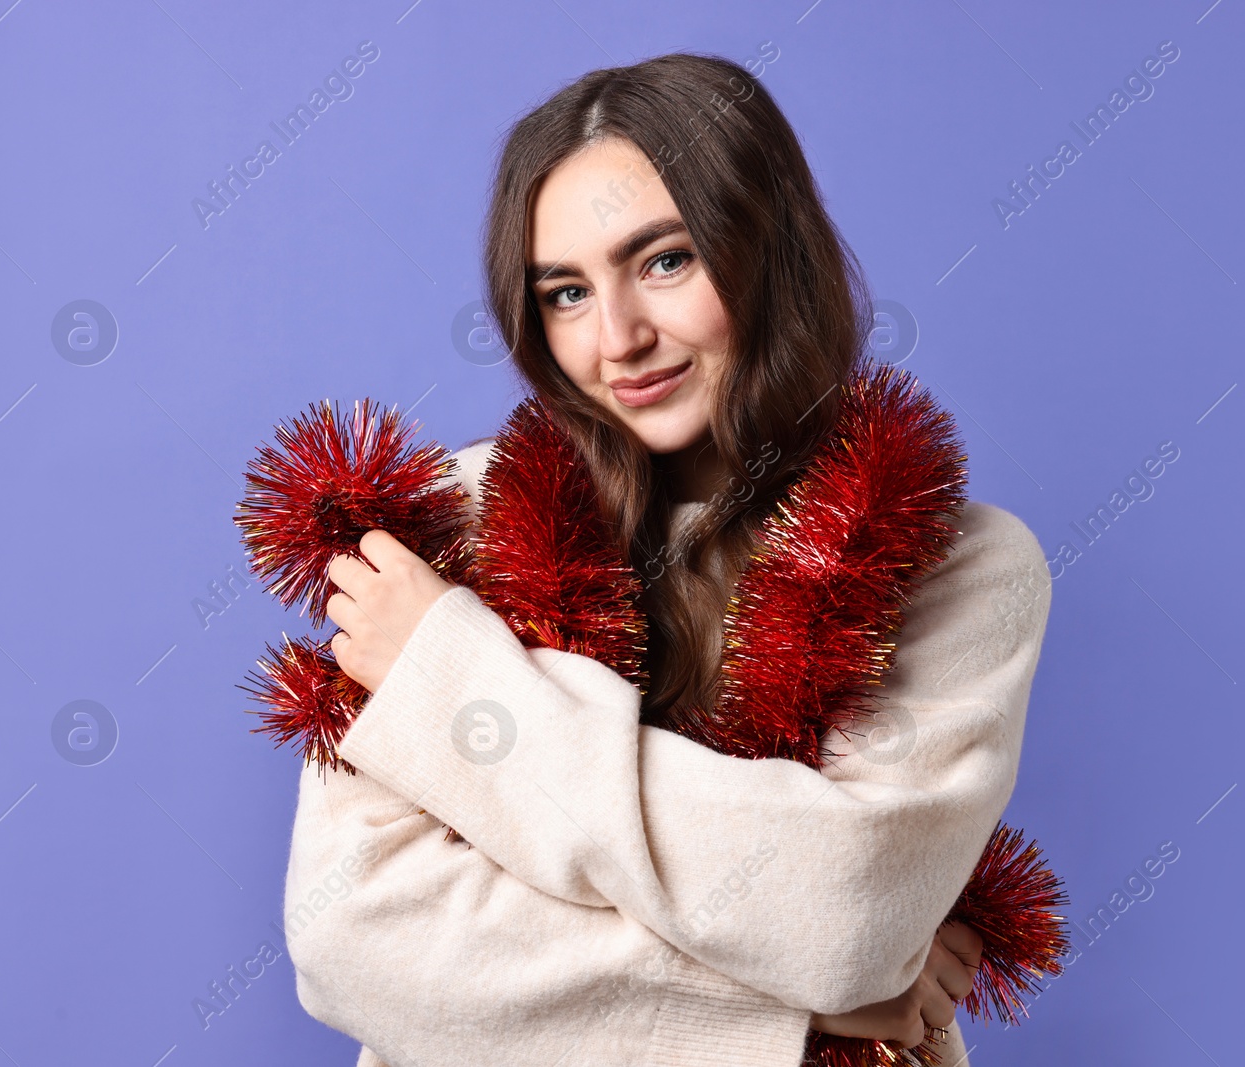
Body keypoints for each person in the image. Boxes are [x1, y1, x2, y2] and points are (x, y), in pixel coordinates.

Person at [282, 52, 1051, 1066]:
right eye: (563, 290)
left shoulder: (962, 567)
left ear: (769, 250)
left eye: (664, 261)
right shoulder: (444, 529)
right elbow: (356, 941)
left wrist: (455, 682)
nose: (617, 339)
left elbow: (846, 910)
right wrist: (792, 1009)